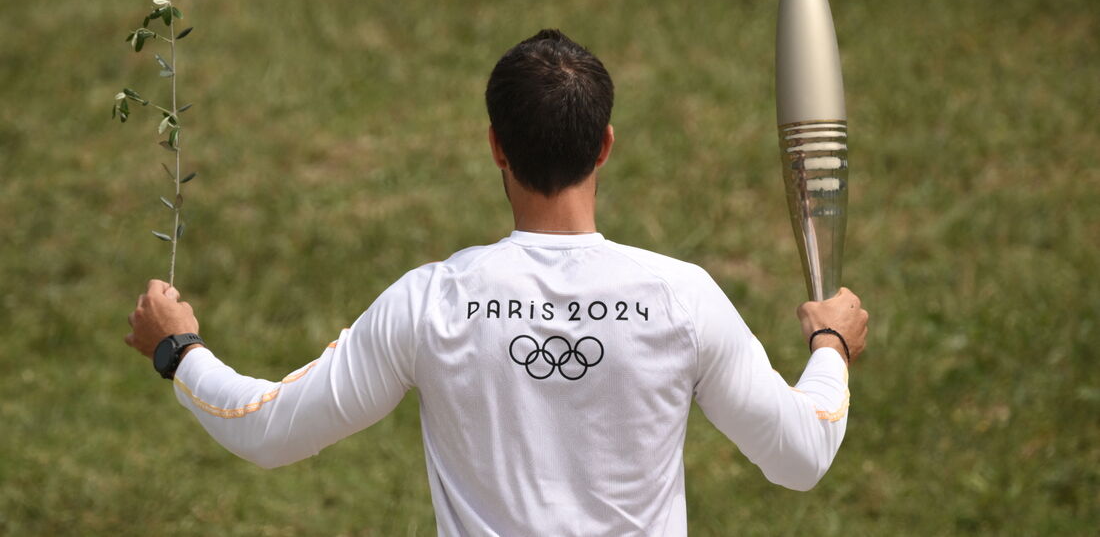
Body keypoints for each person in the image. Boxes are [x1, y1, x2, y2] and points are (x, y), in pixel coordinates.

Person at [126, 28, 869, 537]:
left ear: (495, 147)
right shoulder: (682, 299)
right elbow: (802, 454)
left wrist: (179, 349)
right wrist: (830, 344)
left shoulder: (431, 303)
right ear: (605, 145)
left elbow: (267, 430)